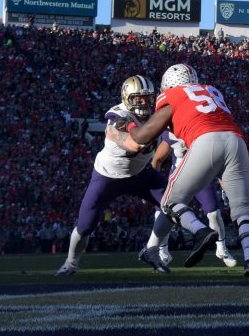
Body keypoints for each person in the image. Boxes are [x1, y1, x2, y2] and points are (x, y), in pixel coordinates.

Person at [121, 63, 249, 277]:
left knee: (169, 202)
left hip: (206, 141)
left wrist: (129, 126)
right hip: (236, 140)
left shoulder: (172, 95)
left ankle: (201, 232)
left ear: (168, 85)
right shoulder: (211, 90)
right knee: (244, 209)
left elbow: (143, 136)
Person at [56, 76, 175, 276]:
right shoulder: (118, 115)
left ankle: (152, 250)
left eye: (147, 98)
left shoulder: (156, 113)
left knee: (174, 205)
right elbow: (133, 144)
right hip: (108, 176)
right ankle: (71, 262)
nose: (144, 103)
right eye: (138, 98)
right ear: (127, 98)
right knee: (85, 226)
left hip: (140, 173)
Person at [144, 130, 239, 268]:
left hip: (202, 174)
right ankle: (162, 250)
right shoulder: (172, 132)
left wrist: (225, 186)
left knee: (213, 213)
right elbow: (157, 159)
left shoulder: (204, 129)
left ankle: (221, 248)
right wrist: (152, 183)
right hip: (178, 177)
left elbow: (217, 160)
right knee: (162, 212)